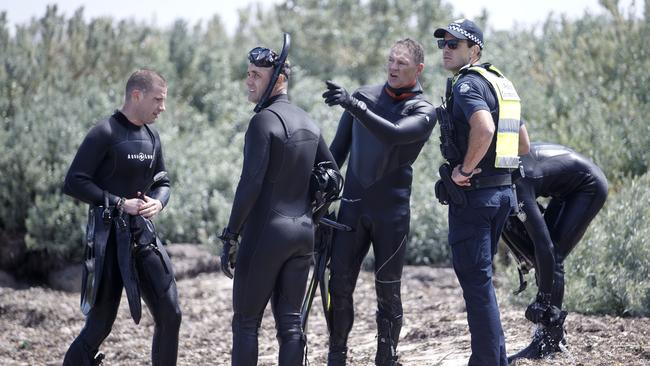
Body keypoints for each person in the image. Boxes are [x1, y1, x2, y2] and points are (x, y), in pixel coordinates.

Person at [218, 36, 340, 366]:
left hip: (265, 235)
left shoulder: (263, 122)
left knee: (245, 323)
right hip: (302, 236)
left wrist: (230, 234)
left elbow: (250, 184)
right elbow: (334, 178)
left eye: (256, 75)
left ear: (279, 80)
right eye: (248, 73)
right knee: (290, 326)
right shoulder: (309, 122)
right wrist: (312, 214)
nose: (249, 80)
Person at [321, 38, 435, 366]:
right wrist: (317, 189)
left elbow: (395, 134)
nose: (393, 67)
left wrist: (352, 105)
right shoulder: (364, 95)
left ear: (419, 69)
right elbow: (336, 153)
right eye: (391, 60)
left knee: (388, 291)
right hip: (353, 209)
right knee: (338, 284)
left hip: (392, 214)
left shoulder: (424, 110)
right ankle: (337, 354)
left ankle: (386, 357)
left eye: (401, 63)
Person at [62, 69, 181, 365]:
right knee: (100, 324)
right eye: (158, 99)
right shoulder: (105, 133)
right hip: (108, 241)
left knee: (171, 314)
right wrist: (118, 203)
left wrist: (158, 202)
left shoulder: (152, 137)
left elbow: (163, 182)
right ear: (136, 95)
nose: (162, 107)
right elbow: (74, 181)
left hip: (142, 236)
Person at [433, 19, 530, 366]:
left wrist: (466, 169)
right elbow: (524, 143)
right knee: (483, 285)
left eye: (454, 44)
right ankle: (496, 359)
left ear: (474, 50)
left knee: (476, 287)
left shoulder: (466, 86)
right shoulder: (501, 82)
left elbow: (485, 128)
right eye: (443, 43)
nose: (446, 49)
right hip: (502, 195)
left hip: (475, 197)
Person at [502, 142, 608, 363]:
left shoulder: (515, 184)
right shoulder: (504, 172)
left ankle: (550, 343)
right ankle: (551, 339)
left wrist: (543, 299)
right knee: (543, 254)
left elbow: (544, 247)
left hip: (588, 186)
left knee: (552, 255)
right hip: (565, 190)